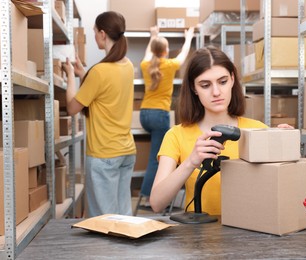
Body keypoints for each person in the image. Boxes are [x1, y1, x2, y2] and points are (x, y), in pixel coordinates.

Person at [149, 46, 293, 215]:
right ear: (194, 88)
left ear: (232, 79)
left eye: (222, 82)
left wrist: (287, 149)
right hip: (199, 236)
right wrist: (191, 162)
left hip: (251, 233)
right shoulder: (176, 135)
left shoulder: (258, 131)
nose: (216, 92)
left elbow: (283, 190)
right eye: (205, 85)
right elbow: (157, 203)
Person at [62, 11, 136, 217]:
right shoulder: (128, 65)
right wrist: (83, 74)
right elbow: (105, 90)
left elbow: (72, 107)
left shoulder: (100, 71)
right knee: (123, 217)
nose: (94, 36)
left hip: (104, 155)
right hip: (126, 152)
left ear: (103, 34)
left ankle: (107, 252)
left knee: (104, 222)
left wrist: (70, 76)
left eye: (94, 32)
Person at [138, 25, 195, 206]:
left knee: (157, 154)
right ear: (166, 51)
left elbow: (148, 53)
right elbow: (184, 54)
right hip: (160, 115)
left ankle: (153, 193)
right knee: (158, 157)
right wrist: (189, 37)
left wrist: (153, 35)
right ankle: (149, 196)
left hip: (144, 115)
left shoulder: (145, 65)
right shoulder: (170, 65)